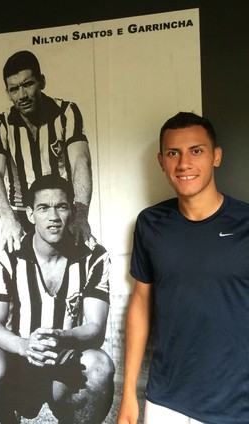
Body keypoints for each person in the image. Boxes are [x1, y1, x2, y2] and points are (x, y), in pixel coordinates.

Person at [118, 111, 249, 424]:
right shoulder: (150, 224)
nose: (184, 164)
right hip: (165, 402)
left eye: (196, 151)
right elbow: (140, 303)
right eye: (174, 153)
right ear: (162, 161)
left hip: (234, 405)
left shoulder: (245, 223)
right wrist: (128, 394)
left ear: (216, 156)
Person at [0, 174, 114, 423]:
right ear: (30, 214)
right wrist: (25, 346)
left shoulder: (94, 257)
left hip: (66, 362)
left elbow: (96, 328)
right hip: (21, 366)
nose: (53, 217)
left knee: (100, 365)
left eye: (61, 206)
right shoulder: (7, 258)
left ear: (72, 210)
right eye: (43, 208)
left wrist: (60, 336)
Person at [0, 50, 95, 253]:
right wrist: (7, 218)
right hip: (22, 215)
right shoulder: (1, 123)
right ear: (7, 92)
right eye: (14, 89)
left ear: (41, 82)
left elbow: (81, 160)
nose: (22, 95)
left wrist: (81, 216)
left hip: (61, 211)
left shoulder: (66, 113)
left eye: (28, 84)